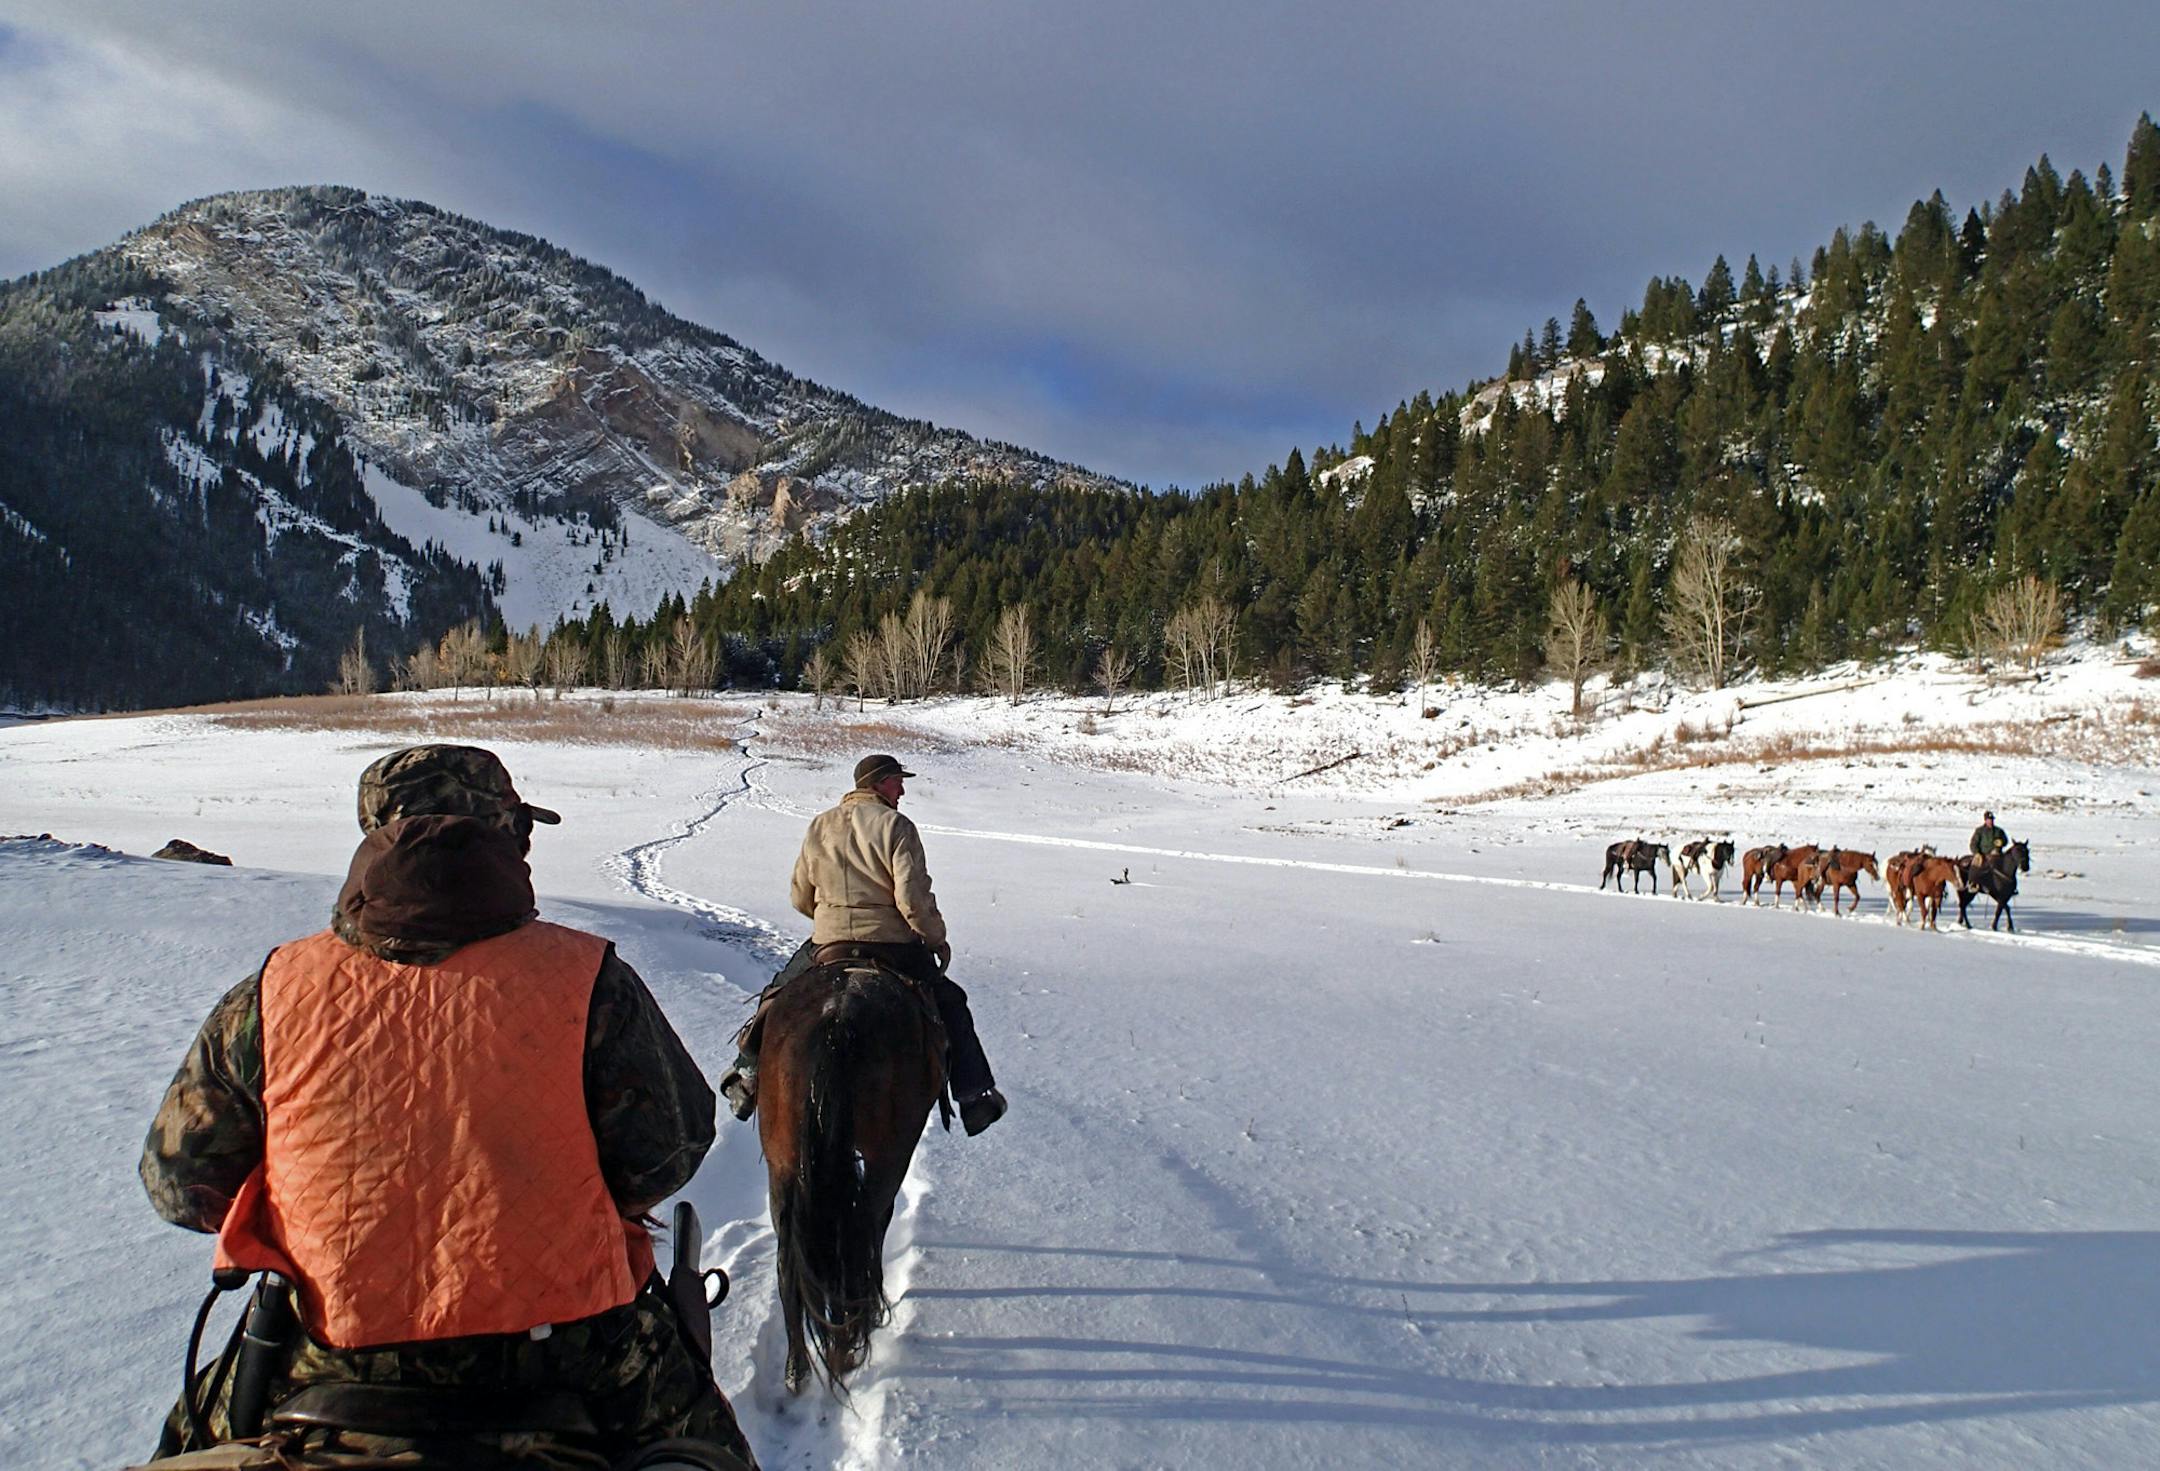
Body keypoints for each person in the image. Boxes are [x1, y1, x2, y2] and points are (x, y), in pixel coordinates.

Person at [138, 744, 754, 1469]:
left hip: (324, 1357)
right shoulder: (592, 979)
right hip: (575, 1353)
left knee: (185, 1446)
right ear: (506, 836)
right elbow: (670, 1150)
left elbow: (179, 1183)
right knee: (708, 1449)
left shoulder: (274, 989)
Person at [720, 754, 1006, 1136]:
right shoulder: (896, 825)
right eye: (896, 781)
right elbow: (911, 899)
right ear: (878, 783)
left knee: (776, 994)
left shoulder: (820, 825)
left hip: (829, 943)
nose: (902, 789)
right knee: (951, 1002)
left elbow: (800, 896)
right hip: (892, 945)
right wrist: (935, 938)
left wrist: (832, 920)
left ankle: (747, 1075)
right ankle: (974, 1097)